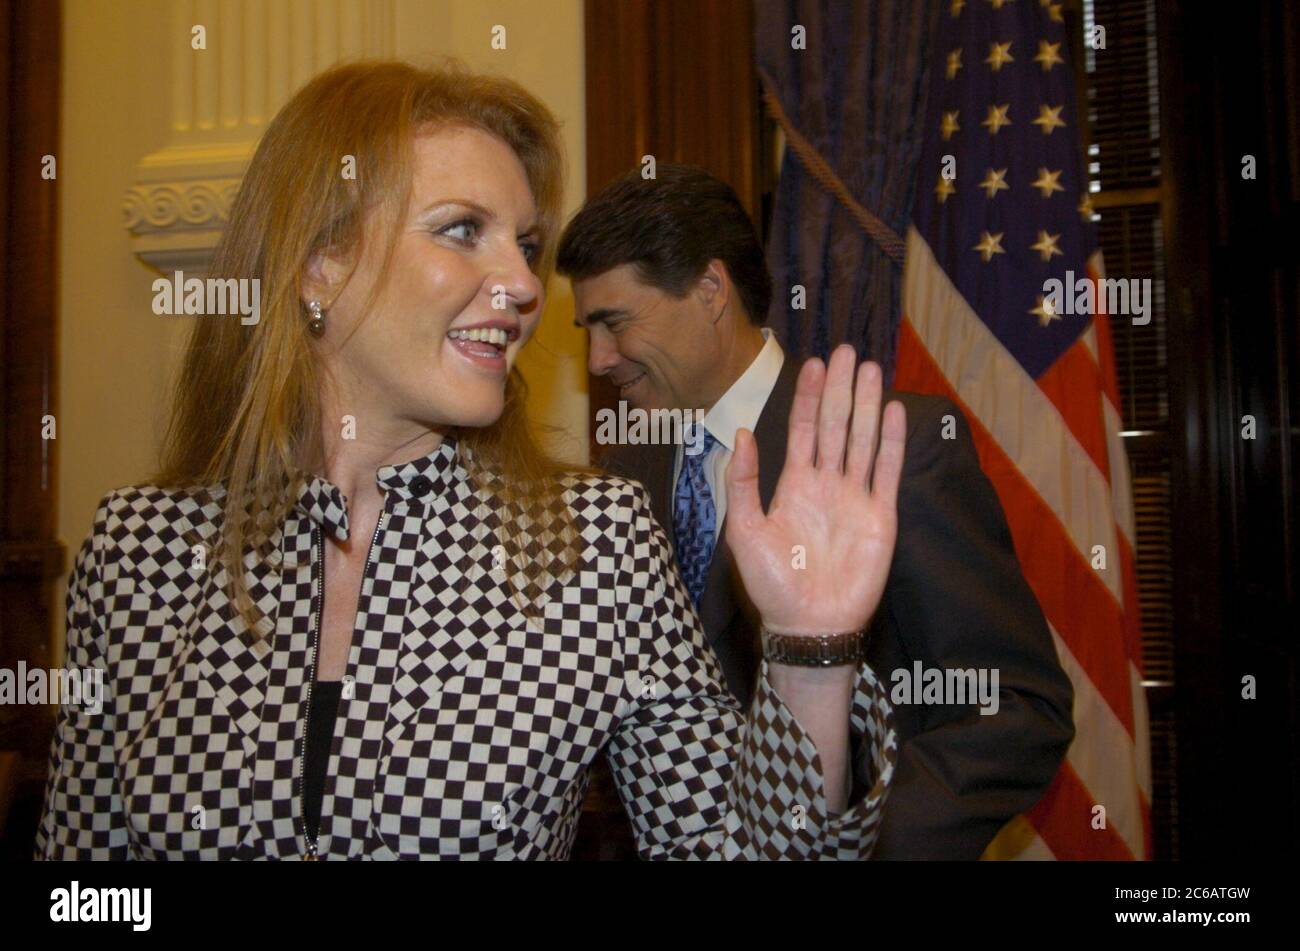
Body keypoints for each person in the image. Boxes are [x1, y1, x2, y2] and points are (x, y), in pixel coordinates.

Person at [35, 62, 903, 860]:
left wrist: (809, 656)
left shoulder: (594, 543)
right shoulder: (138, 551)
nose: (524, 285)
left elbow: (733, 850)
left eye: (524, 244)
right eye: (461, 230)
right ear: (319, 263)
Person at [559, 163, 1076, 860]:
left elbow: (1017, 708)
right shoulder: (622, 478)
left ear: (710, 290)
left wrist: (843, 839)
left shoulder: (889, 448)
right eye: (587, 331)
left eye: (613, 323)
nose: (597, 359)